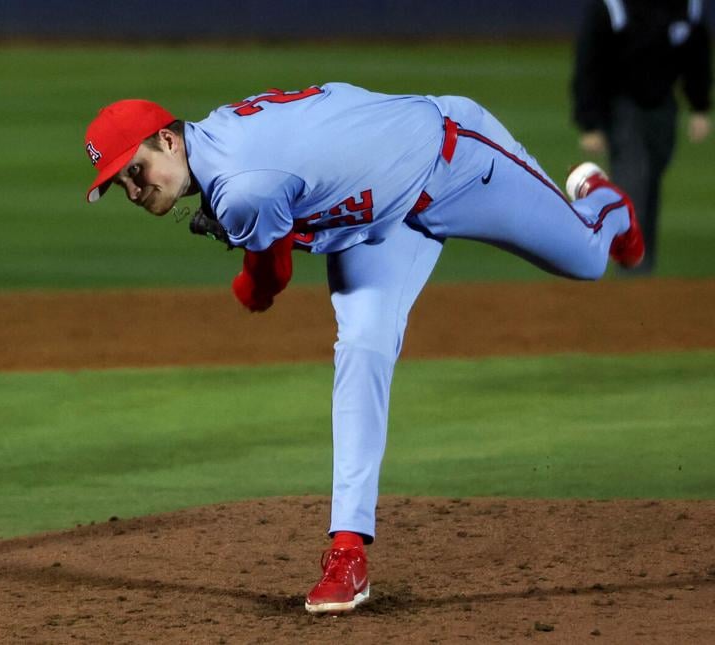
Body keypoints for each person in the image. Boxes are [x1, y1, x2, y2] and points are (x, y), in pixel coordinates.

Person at [81, 84, 643, 614]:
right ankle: (348, 552)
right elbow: (305, 184)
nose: (134, 190)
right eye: (119, 184)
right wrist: (252, 227)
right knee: (362, 346)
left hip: (454, 162)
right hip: (379, 225)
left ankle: (602, 200)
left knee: (589, 258)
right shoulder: (220, 143)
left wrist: (248, 280)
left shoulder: (242, 185)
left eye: (136, 170)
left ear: (169, 140)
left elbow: (269, 272)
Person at [572, 0, 712, 274]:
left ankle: (642, 276)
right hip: (624, 107)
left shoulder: (688, 5)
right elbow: (590, 60)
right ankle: (631, 282)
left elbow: (698, 52)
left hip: (664, 107)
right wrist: (590, 122)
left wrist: (699, 105)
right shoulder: (613, 5)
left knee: (650, 187)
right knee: (633, 185)